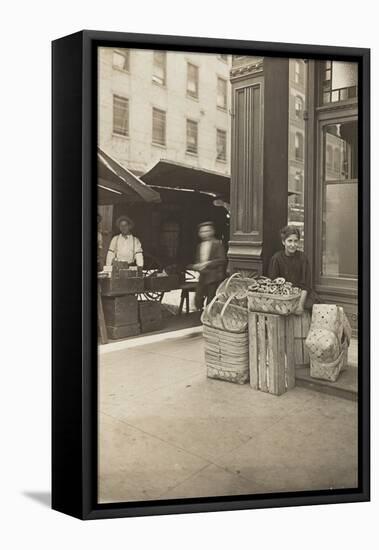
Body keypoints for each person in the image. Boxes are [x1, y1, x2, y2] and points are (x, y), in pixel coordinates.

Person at [268, 224, 319, 315]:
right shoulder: (276, 259)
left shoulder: (303, 258)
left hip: (302, 296)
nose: (293, 244)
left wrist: (300, 305)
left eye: (296, 241)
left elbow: (306, 285)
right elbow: (273, 285)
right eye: (289, 241)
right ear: (283, 242)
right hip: (284, 296)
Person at [192, 222, 227, 310]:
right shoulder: (199, 246)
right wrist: (197, 266)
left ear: (212, 231)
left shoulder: (217, 244)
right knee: (198, 298)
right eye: (202, 231)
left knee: (211, 300)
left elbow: (222, 260)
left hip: (214, 276)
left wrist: (208, 263)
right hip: (203, 276)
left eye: (207, 231)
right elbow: (198, 260)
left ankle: (209, 317)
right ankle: (199, 315)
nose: (205, 233)